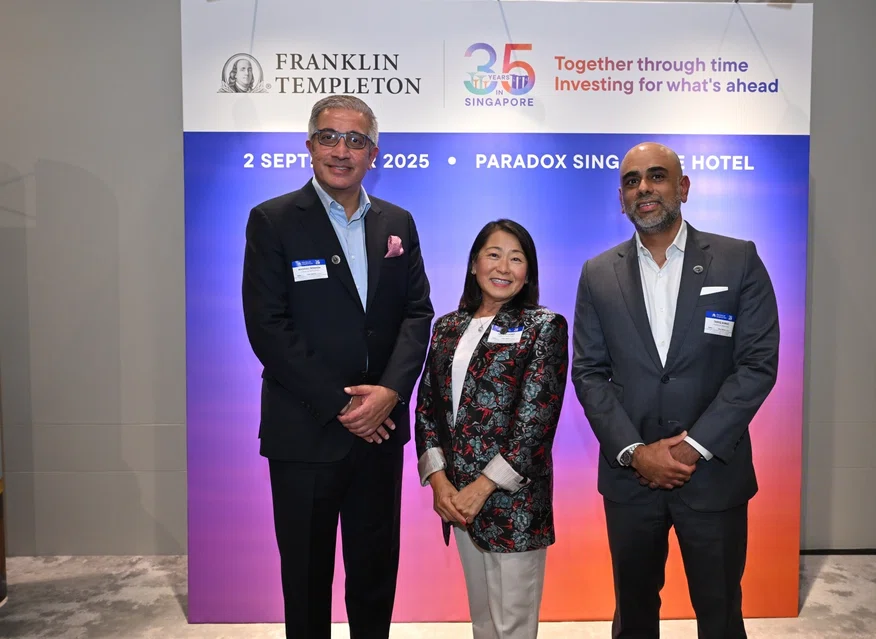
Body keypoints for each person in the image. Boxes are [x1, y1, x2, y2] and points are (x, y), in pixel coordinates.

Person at [241, 95, 434, 639]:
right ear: (309, 146)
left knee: (375, 575)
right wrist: (344, 404)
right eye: (329, 137)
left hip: (380, 432)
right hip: (305, 432)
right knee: (305, 581)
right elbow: (268, 328)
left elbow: (417, 313)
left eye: (355, 140)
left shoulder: (398, 222)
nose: (341, 150)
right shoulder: (273, 221)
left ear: (374, 153)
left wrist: (390, 393)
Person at [571, 142, 780, 639]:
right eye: (631, 180)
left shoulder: (738, 259)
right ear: (621, 197)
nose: (643, 188)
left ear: (682, 187)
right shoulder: (597, 273)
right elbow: (589, 372)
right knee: (634, 615)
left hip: (712, 475)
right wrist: (635, 452)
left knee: (721, 613)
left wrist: (690, 448)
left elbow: (757, 365)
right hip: (630, 480)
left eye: (657, 176)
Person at [414, 219, 568, 639]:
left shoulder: (544, 326)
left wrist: (480, 488)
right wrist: (440, 484)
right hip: (458, 503)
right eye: (494, 254)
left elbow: (535, 422)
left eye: (517, 258)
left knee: (513, 626)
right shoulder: (447, 328)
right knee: (482, 621)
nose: (504, 266)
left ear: (528, 271)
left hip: (513, 502)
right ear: (473, 264)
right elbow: (427, 409)